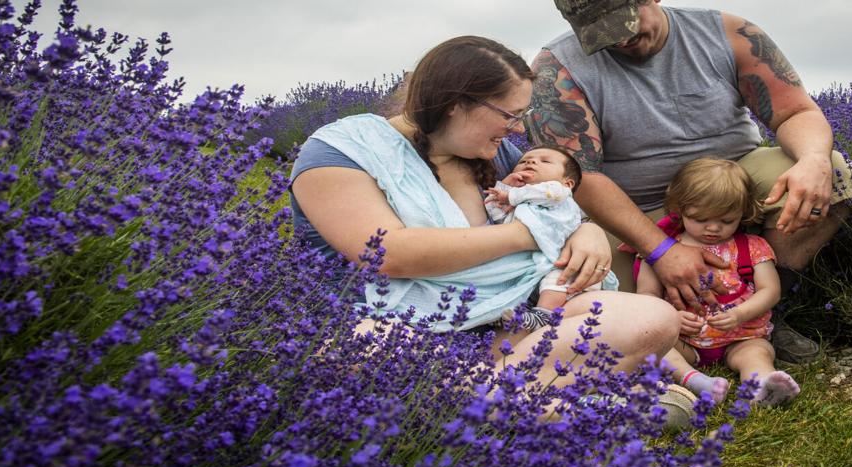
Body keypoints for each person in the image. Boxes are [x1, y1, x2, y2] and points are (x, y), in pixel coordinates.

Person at [288, 35, 692, 422]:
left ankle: (487, 399)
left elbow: (551, 206)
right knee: (365, 350)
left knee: (654, 319)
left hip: (506, 325)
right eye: (509, 115)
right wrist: (527, 235)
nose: (517, 129)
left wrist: (582, 231)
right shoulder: (340, 151)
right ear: (456, 104)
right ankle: (576, 405)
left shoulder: (496, 155)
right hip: (399, 327)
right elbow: (388, 253)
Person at [526, 0, 852, 365]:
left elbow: (794, 111)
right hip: (636, 210)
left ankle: (762, 313)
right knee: (587, 291)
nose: (620, 41)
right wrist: (661, 250)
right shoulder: (556, 68)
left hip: (733, 186)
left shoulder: (728, 34)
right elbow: (580, 175)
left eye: (627, 25)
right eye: (600, 33)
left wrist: (813, 160)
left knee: (833, 172)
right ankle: (681, 332)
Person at [638, 158, 799, 407]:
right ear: (679, 209)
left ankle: (761, 385)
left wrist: (739, 314)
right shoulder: (662, 251)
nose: (713, 228)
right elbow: (646, 297)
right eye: (700, 219)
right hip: (684, 338)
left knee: (757, 352)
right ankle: (695, 380)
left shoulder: (751, 247)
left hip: (740, 335)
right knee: (654, 346)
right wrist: (671, 318)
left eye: (726, 221)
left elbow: (770, 290)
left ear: (742, 214)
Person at [481, 145, 622, 330]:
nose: (530, 162)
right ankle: (498, 313)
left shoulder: (558, 193)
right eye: (523, 161)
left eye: (545, 161)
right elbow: (497, 215)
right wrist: (504, 187)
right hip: (538, 262)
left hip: (566, 261)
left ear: (568, 183)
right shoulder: (519, 204)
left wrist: (511, 194)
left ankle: (543, 315)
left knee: (557, 279)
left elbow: (548, 194)